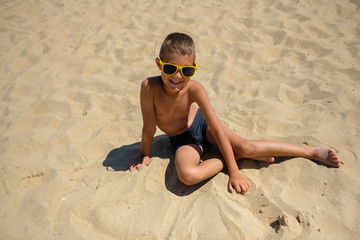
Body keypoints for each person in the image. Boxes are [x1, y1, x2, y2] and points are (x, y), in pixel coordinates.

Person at [128, 32, 341, 195]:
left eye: (187, 71)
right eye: (170, 68)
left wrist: (235, 172)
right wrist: (145, 153)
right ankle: (229, 155)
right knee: (187, 175)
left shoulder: (194, 89)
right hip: (183, 140)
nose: (177, 76)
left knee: (247, 146)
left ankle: (311, 152)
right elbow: (149, 126)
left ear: (193, 68)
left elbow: (217, 130)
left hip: (202, 126)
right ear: (159, 64)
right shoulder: (149, 88)